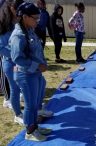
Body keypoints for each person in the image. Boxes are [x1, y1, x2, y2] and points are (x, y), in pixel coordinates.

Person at [10, 2, 51, 141]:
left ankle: (36, 127)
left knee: (35, 103)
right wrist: (37, 66)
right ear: (25, 17)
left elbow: (37, 50)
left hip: (35, 74)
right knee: (30, 104)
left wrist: (42, 64)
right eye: (35, 18)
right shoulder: (18, 35)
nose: (37, 21)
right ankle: (30, 131)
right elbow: (17, 58)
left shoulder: (29, 30)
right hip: (25, 74)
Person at [0, 0, 24, 125]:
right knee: (14, 89)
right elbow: (1, 47)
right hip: (10, 63)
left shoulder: (18, 22)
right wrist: (16, 54)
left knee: (25, 86)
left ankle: (35, 108)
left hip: (21, 62)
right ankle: (17, 114)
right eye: (16, 9)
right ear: (9, 9)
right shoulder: (3, 26)